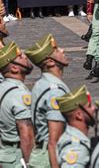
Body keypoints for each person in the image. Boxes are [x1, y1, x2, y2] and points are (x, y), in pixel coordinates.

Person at [25, 34, 70, 168]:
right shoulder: (55, 92)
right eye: (57, 50)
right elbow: (53, 140)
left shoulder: (41, 83)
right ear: (50, 62)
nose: (62, 51)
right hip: (50, 159)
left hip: (41, 154)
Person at [0, 42, 35, 167]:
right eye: (20, 57)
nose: (25, 57)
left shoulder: (4, 86)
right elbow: (26, 133)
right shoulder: (19, 94)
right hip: (17, 157)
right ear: (14, 68)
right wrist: (29, 163)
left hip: (7, 153)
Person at [56, 85, 97, 168]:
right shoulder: (76, 148)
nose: (93, 108)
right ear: (79, 115)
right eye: (89, 106)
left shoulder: (72, 137)